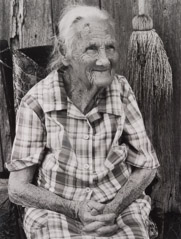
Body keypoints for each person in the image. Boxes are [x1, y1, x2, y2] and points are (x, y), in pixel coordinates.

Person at [7, 4, 159, 239]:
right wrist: (74, 209)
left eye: (110, 47)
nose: (105, 60)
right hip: (58, 209)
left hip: (119, 204)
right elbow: (17, 188)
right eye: (91, 49)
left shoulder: (121, 91)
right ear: (65, 53)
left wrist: (111, 210)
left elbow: (147, 166)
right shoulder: (37, 102)